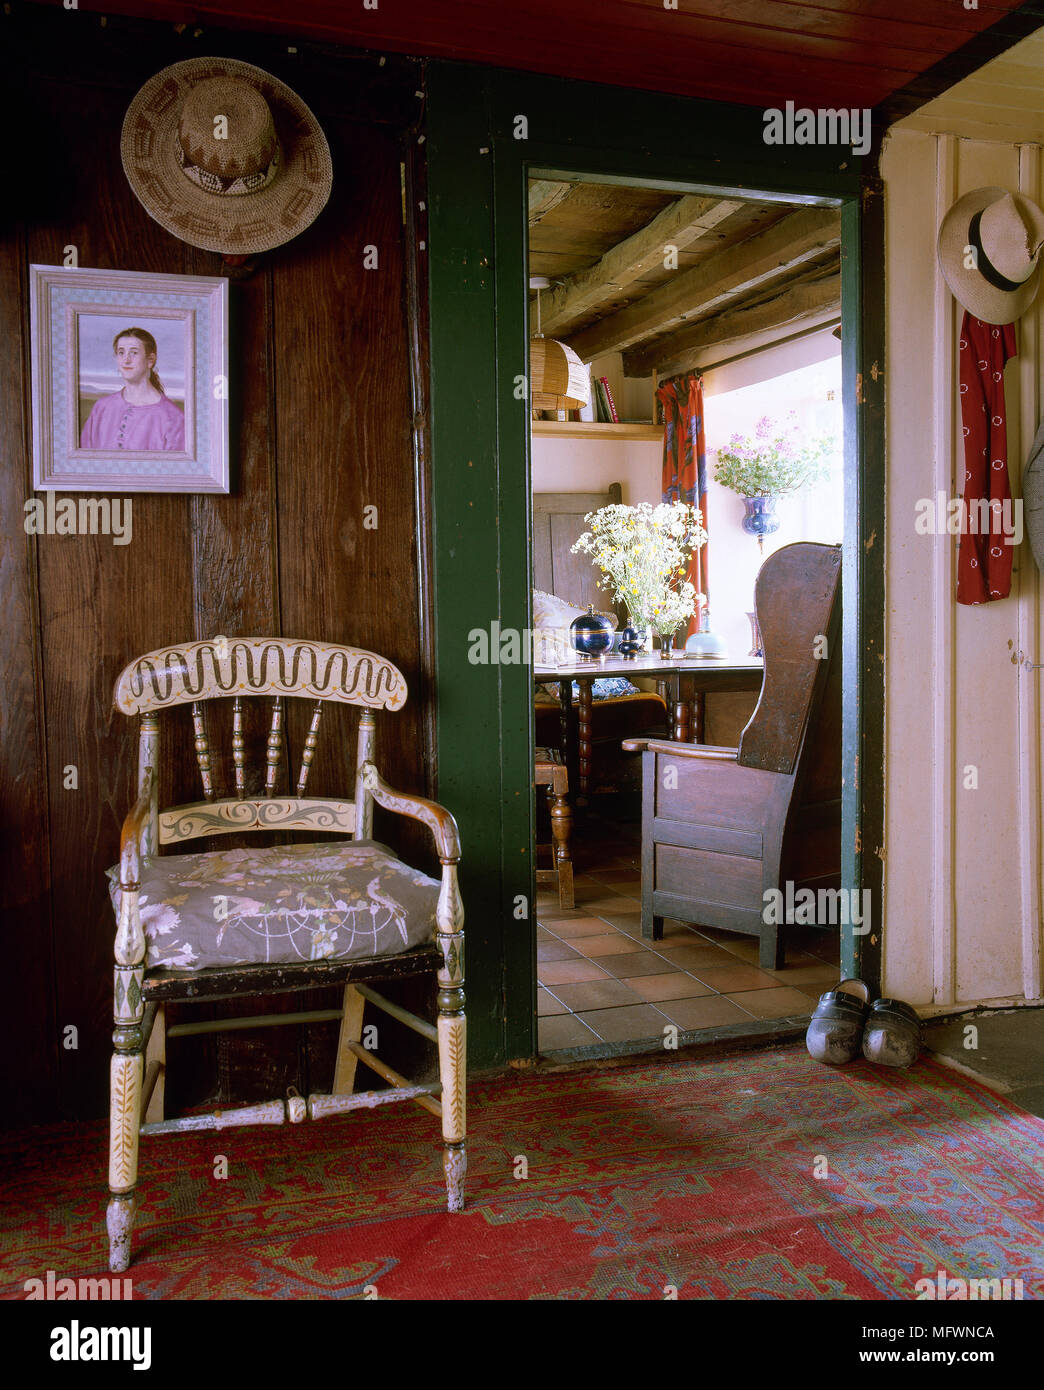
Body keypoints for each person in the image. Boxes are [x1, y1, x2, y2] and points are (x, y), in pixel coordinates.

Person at [80, 327, 185, 451]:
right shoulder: (102, 407)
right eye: (121, 352)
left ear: (150, 360)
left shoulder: (174, 418)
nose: (126, 360)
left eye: (134, 353)